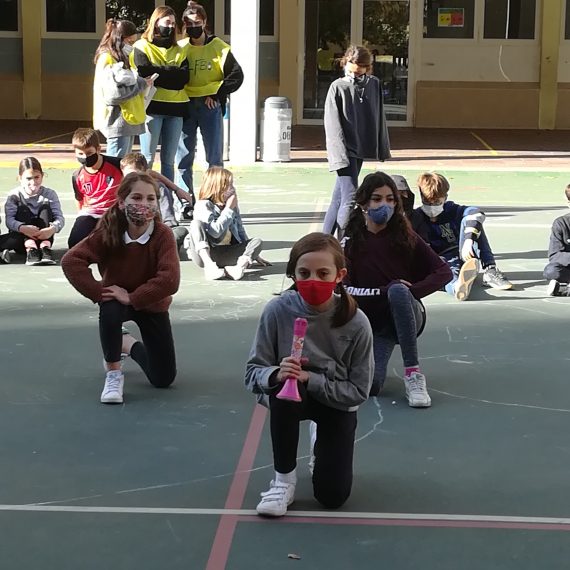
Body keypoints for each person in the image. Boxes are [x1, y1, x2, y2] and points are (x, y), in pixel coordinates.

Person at [245, 232, 373, 517]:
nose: (313, 280)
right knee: (283, 392)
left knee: (332, 497)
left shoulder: (356, 322)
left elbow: (358, 391)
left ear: (339, 275)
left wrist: (310, 379)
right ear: (293, 274)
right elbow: (253, 372)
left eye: (323, 273)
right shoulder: (277, 311)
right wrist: (276, 374)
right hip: (291, 400)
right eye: (304, 273)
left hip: (336, 402)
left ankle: (320, 440)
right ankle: (283, 481)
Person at [61, 172, 180, 405]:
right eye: (136, 197)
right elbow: (71, 261)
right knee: (110, 309)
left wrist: (133, 297)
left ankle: (127, 344)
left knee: (163, 378)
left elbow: (170, 280)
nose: (144, 204)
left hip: (150, 303)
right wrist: (98, 292)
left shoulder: (162, 235)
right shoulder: (108, 230)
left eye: (150, 198)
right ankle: (113, 372)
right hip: (117, 299)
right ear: (122, 202)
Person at [343, 172, 452, 405]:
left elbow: (444, 272)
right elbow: (345, 289)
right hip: (370, 324)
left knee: (398, 291)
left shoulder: (406, 236)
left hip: (404, 315)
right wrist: (384, 291)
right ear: (363, 203)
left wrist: (410, 292)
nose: (385, 205)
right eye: (377, 199)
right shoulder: (350, 241)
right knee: (371, 386)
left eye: (390, 199)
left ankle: (413, 373)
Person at [176, 1, 244, 195]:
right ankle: (185, 199)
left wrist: (217, 93)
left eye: (197, 22)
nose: (193, 27)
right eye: (189, 23)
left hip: (209, 105)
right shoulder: (180, 47)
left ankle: (215, 196)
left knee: (214, 157)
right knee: (183, 157)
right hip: (185, 105)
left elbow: (236, 76)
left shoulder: (219, 47)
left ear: (204, 22)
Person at [411, 172, 513, 301]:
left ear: (445, 198)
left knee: (471, 221)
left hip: (463, 252)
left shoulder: (452, 210)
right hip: (439, 260)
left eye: (437, 202)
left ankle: (490, 270)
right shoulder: (417, 217)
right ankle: (457, 287)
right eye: (427, 202)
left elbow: (476, 213)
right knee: (445, 275)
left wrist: (469, 240)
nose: (432, 207)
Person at [323, 45, 391, 238]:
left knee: (339, 198)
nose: (355, 74)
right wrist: (339, 155)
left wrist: (380, 146)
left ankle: (324, 240)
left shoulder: (373, 84)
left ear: (367, 68)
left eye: (360, 71)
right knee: (350, 197)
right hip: (344, 150)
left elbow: (379, 117)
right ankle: (343, 242)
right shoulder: (338, 87)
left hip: (360, 147)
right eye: (351, 69)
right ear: (345, 63)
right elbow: (332, 124)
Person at [132, 5, 190, 182]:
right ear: (156, 22)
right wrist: (171, 72)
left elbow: (183, 79)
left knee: (168, 161)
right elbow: (144, 73)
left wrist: (158, 73)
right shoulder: (141, 46)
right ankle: (144, 193)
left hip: (176, 110)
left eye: (173, 23)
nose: (171, 26)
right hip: (151, 109)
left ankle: (167, 196)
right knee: (147, 159)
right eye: (167, 22)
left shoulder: (180, 49)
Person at [184, 166, 268, 280]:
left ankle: (238, 268)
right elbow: (215, 232)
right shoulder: (203, 205)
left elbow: (240, 231)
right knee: (195, 224)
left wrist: (252, 252)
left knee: (257, 241)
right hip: (206, 253)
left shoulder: (232, 205)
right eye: (229, 185)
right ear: (217, 187)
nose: (233, 189)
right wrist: (228, 210)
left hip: (226, 252)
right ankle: (209, 267)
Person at [93, 18, 151, 158]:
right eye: (129, 42)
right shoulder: (108, 58)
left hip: (126, 119)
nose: (131, 46)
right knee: (116, 163)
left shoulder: (122, 57)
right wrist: (141, 84)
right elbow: (113, 95)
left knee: (123, 163)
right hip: (117, 120)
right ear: (119, 39)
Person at [120, 152, 191, 254]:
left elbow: (169, 222)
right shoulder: (123, 191)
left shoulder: (158, 188)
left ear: (145, 173)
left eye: (134, 174)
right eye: (127, 176)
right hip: (133, 233)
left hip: (155, 233)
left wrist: (176, 189)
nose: (131, 179)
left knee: (180, 232)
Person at [0, 157, 65, 266]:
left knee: (45, 208)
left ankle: (45, 249)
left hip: (43, 236)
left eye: (37, 177)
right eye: (28, 178)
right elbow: (9, 220)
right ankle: (31, 249)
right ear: (20, 178)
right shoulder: (14, 195)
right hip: (22, 237)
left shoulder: (49, 194)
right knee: (23, 209)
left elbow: (59, 218)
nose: (33, 182)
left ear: (42, 176)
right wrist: (22, 228)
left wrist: (52, 229)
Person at [68, 128, 123, 248]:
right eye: (80, 154)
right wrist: (81, 220)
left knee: (115, 244)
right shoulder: (77, 176)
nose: (85, 157)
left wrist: (168, 183)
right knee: (74, 242)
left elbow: (141, 174)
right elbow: (79, 199)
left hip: (114, 212)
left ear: (98, 149)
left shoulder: (118, 165)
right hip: (91, 212)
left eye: (89, 153)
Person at [544, 184, 570, 296]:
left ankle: (563, 290)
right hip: (568, 267)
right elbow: (554, 255)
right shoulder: (561, 223)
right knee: (551, 271)